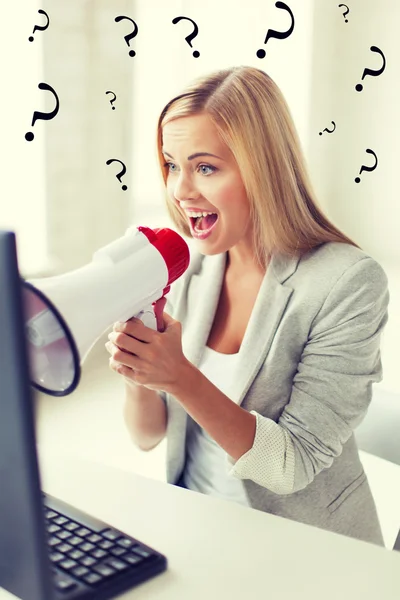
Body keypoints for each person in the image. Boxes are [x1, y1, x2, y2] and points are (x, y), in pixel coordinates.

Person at [105, 66, 390, 547]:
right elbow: (147, 436)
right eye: (172, 165)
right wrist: (139, 371)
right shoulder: (190, 267)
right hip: (195, 527)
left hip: (301, 548)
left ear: (265, 168)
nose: (180, 190)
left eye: (205, 167)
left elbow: (293, 463)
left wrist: (179, 376)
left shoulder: (348, 282)